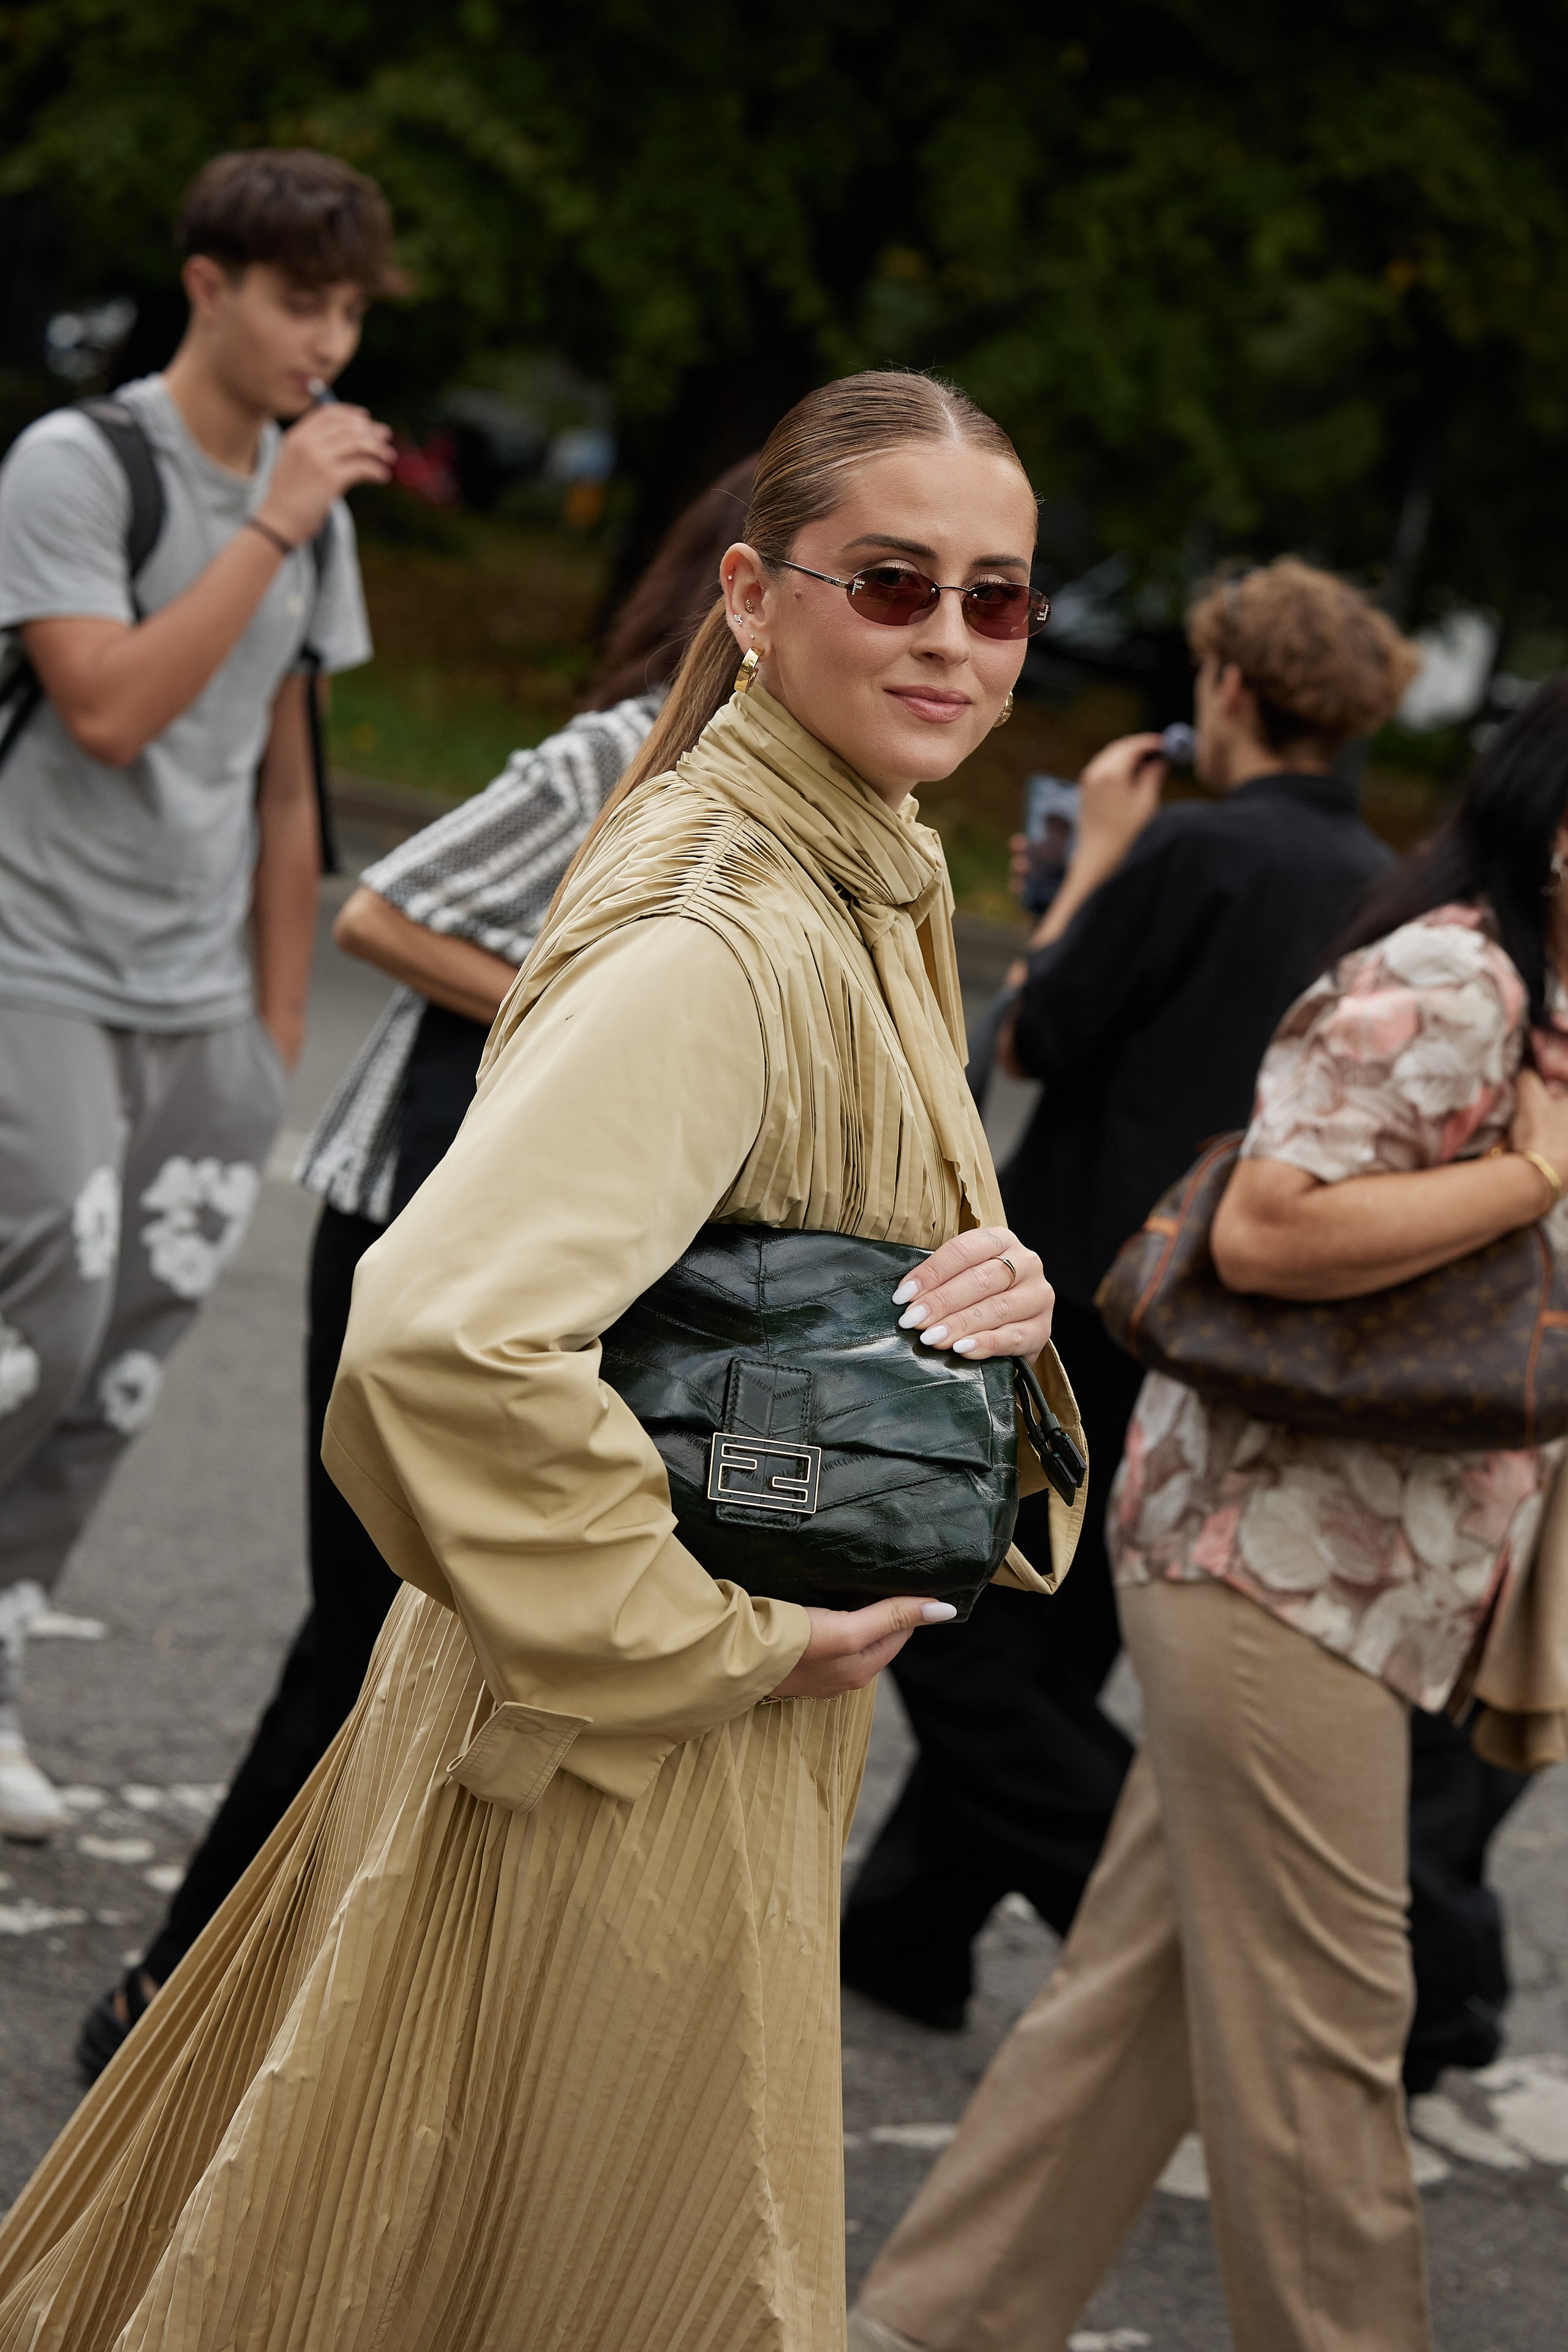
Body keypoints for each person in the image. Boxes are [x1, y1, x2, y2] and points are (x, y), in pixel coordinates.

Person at [0, 368, 1085, 2352]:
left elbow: (754, 1266)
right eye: (895, 581)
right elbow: (437, 1342)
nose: (949, 636)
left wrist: (971, 1302)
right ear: (754, 598)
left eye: (997, 598)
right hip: (611, 1758)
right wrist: (714, 1637)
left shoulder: (866, 868)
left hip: (674, 1730)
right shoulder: (724, 916)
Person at [851, 678, 1568, 2352]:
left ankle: (925, 2327)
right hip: (1273, 1563)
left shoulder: (1536, 1000)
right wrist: (1533, 1176)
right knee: (1330, 2030)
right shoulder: (1451, 980)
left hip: (1363, 1572)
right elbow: (1266, 1231)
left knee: (1137, 2013)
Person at [75, 455, 758, 2077]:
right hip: (410, 1217)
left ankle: (307, 2012)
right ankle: (165, 2004)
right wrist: (579, 1018)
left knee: (453, 1645)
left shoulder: (798, 823)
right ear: (748, 587)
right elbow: (387, 909)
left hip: (560, 1269)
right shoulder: (630, 750)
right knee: (361, 1628)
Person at [844, 558, 1409, 2019]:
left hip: (1080, 1284)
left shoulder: (1190, 851)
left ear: (1226, 687)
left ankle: (1175, 1913)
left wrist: (1094, 862)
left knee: (954, 1636)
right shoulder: (1382, 891)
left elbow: (1036, 1034)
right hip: (1224, 1311)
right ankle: (907, 1932)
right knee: (1057, 1630)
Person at [0, 148, 394, 1837]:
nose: (331, 337)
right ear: (210, 285)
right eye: (304, 298)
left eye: (354, 307)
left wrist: (276, 1028)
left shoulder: (315, 509)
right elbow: (107, 707)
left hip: (201, 1005)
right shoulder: (79, 465)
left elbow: (285, 777)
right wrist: (273, 518)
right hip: (33, 956)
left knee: (130, 1362)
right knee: (49, 1314)